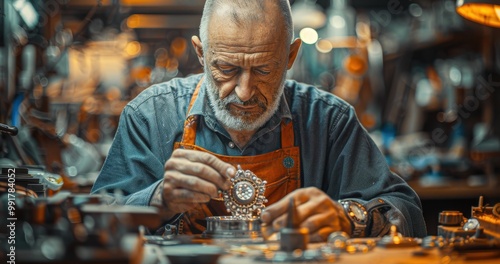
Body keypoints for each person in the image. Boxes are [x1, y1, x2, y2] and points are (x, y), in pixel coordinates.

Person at [91, 0, 426, 241]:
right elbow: (90, 222)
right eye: (227, 68)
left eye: (264, 70)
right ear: (201, 53)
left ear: (291, 55)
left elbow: (408, 213)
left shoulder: (328, 121)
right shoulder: (150, 116)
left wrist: (350, 218)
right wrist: (156, 200)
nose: (245, 91)